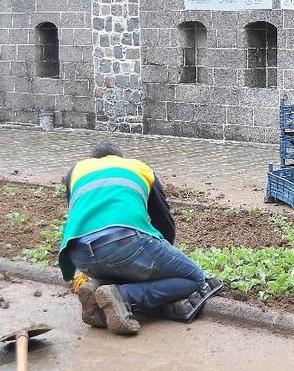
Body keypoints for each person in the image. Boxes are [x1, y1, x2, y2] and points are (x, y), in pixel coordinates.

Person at [59, 143, 210, 335]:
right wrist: (158, 263)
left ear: (93, 161)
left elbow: (76, 215)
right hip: (123, 244)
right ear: (120, 158)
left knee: (115, 263)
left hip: (79, 256)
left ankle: (96, 286)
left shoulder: (76, 171)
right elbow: (164, 223)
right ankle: (122, 295)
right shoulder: (139, 168)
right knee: (196, 278)